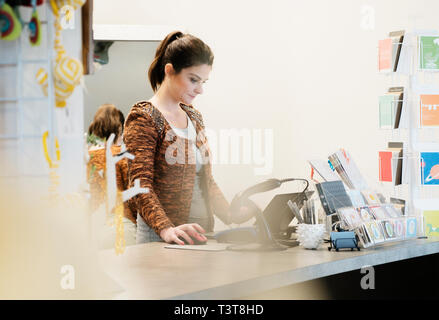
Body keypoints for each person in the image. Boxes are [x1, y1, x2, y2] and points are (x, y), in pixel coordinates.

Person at [124, 31, 253, 245]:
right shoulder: (143, 117)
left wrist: (231, 214)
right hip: (161, 239)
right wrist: (166, 229)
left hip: (201, 237)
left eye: (203, 81)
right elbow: (140, 184)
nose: (200, 90)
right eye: (193, 80)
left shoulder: (194, 116)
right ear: (169, 71)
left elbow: (206, 181)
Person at [86, 103, 137, 246]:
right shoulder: (120, 155)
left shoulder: (85, 157)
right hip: (120, 227)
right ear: (119, 128)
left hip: (93, 227)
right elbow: (133, 197)